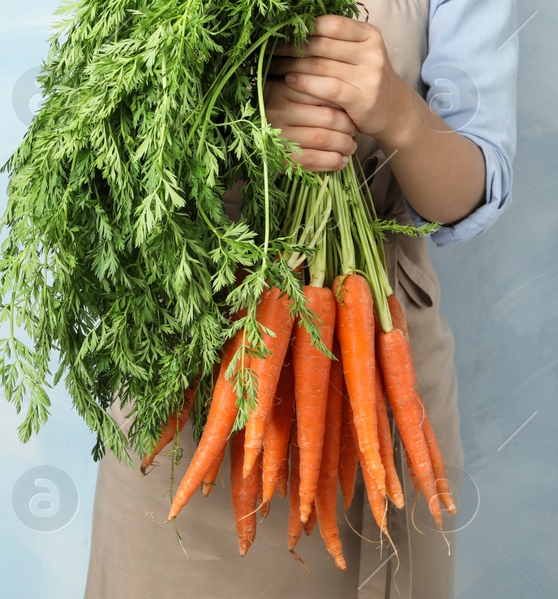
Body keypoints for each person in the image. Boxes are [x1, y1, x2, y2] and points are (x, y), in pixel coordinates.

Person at [83, 1, 517, 597]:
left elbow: (472, 188)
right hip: (191, 344)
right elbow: (96, 146)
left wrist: (401, 117)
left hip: (376, 351)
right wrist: (236, 127)